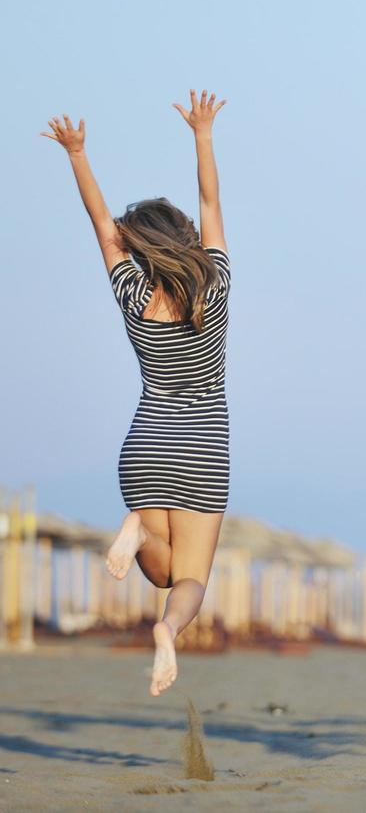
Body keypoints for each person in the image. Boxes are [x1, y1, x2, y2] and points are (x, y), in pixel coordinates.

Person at [43, 91, 233, 697]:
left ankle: (139, 531)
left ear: (140, 246)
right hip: (203, 443)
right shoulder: (214, 284)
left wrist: (78, 155)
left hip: (147, 443)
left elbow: (103, 228)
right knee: (191, 580)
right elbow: (211, 200)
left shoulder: (134, 297)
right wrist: (202, 134)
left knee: (165, 567)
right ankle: (169, 632)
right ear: (184, 239)